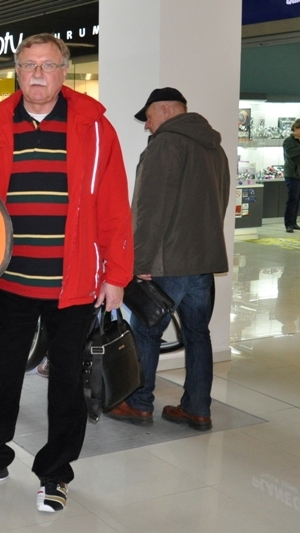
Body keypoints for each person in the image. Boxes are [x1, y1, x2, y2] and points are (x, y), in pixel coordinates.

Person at [0, 34, 133, 513]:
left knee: (66, 385)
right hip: (8, 282)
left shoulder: (96, 129)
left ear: (63, 71)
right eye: (29, 65)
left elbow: (115, 206)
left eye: (48, 65)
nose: (38, 74)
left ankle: (55, 473)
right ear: (17, 71)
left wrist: (116, 274)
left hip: (74, 284)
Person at [107, 87, 230, 432]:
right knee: (197, 334)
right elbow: (220, 201)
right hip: (202, 261)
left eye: (148, 118)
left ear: (164, 110)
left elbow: (149, 210)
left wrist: (140, 262)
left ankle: (139, 403)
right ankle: (197, 409)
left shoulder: (165, 145)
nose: (147, 126)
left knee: (146, 333)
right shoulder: (215, 147)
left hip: (168, 262)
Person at [283, 118, 300, 232]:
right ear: (295, 128)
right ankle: (288, 223)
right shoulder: (289, 141)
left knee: (297, 199)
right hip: (292, 175)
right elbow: (290, 153)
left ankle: (294, 222)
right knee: (292, 199)